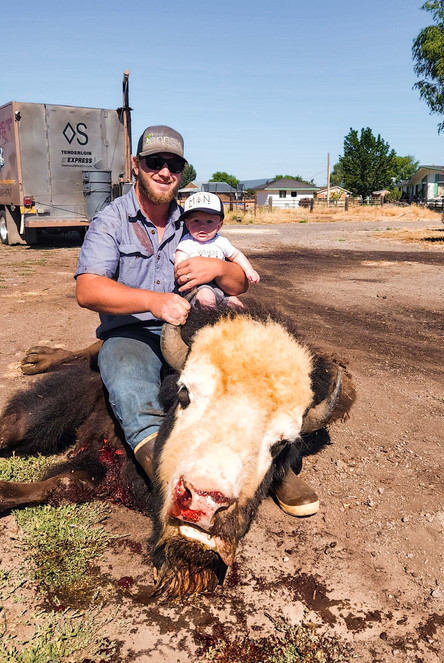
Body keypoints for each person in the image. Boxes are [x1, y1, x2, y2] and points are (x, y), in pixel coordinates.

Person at [75, 124, 319, 518]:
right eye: (155, 162)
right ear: (136, 165)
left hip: (194, 331)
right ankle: (167, 474)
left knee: (253, 384)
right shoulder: (111, 221)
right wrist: (153, 302)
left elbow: (240, 285)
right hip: (132, 332)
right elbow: (87, 290)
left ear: (182, 171)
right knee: (128, 378)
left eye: (174, 164)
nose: (165, 172)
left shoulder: (193, 218)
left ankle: (279, 468)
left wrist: (216, 267)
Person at [175, 191, 259, 308]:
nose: (202, 226)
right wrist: (185, 280)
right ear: (187, 224)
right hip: (200, 286)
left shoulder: (221, 241)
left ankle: (225, 305)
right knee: (206, 298)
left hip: (222, 287)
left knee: (237, 305)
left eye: (209, 221)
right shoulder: (187, 242)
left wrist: (249, 270)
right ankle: (210, 321)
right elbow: (180, 262)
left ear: (219, 225)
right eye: (196, 221)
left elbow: (236, 255)